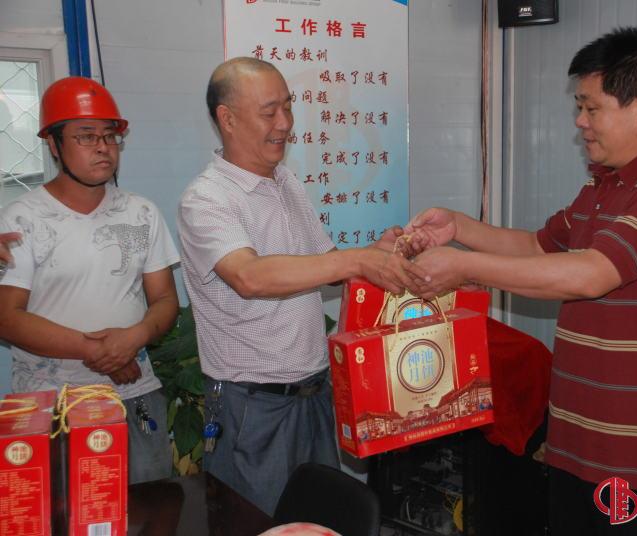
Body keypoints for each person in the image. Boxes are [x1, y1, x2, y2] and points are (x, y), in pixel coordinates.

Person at [406, 28, 637, 534]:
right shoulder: (603, 186)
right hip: (575, 443)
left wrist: (464, 267)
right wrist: (459, 228)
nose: (580, 122)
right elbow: (537, 247)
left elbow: (590, 274)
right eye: (580, 107)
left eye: (591, 108)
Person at [177, 57, 427, 515]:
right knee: (257, 522)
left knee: (318, 519)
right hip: (253, 407)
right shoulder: (207, 199)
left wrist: (378, 252)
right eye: (269, 112)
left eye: (288, 107)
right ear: (227, 119)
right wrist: (358, 260)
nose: (285, 123)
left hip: (313, 394)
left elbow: (325, 264)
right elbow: (249, 276)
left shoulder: (286, 182)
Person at [0, 77, 179, 484]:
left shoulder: (142, 213)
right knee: (60, 510)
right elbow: (7, 318)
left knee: (151, 506)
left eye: (110, 136)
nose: (103, 147)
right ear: (53, 144)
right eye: (86, 136)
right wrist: (100, 351)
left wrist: (133, 339)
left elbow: (165, 300)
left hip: (134, 394)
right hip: (50, 405)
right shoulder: (21, 219)